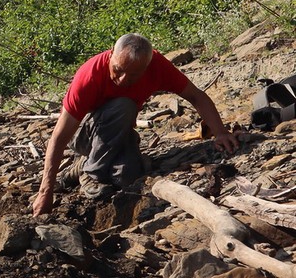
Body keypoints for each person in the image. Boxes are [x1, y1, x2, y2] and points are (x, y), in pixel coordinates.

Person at [32, 33, 240, 216]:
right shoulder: (89, 76)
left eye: (133, 75)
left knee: (126, 176)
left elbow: (196, 96)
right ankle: (91, 174)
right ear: (111, 53)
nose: (122, 80)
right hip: (86, 136)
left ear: (147, 67)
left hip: (120, 133)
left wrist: (220, 132)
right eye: (118, 70)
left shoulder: (158, 67)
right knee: (124, 105)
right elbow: (59, 137)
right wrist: (45, 192)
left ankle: (81, 167)